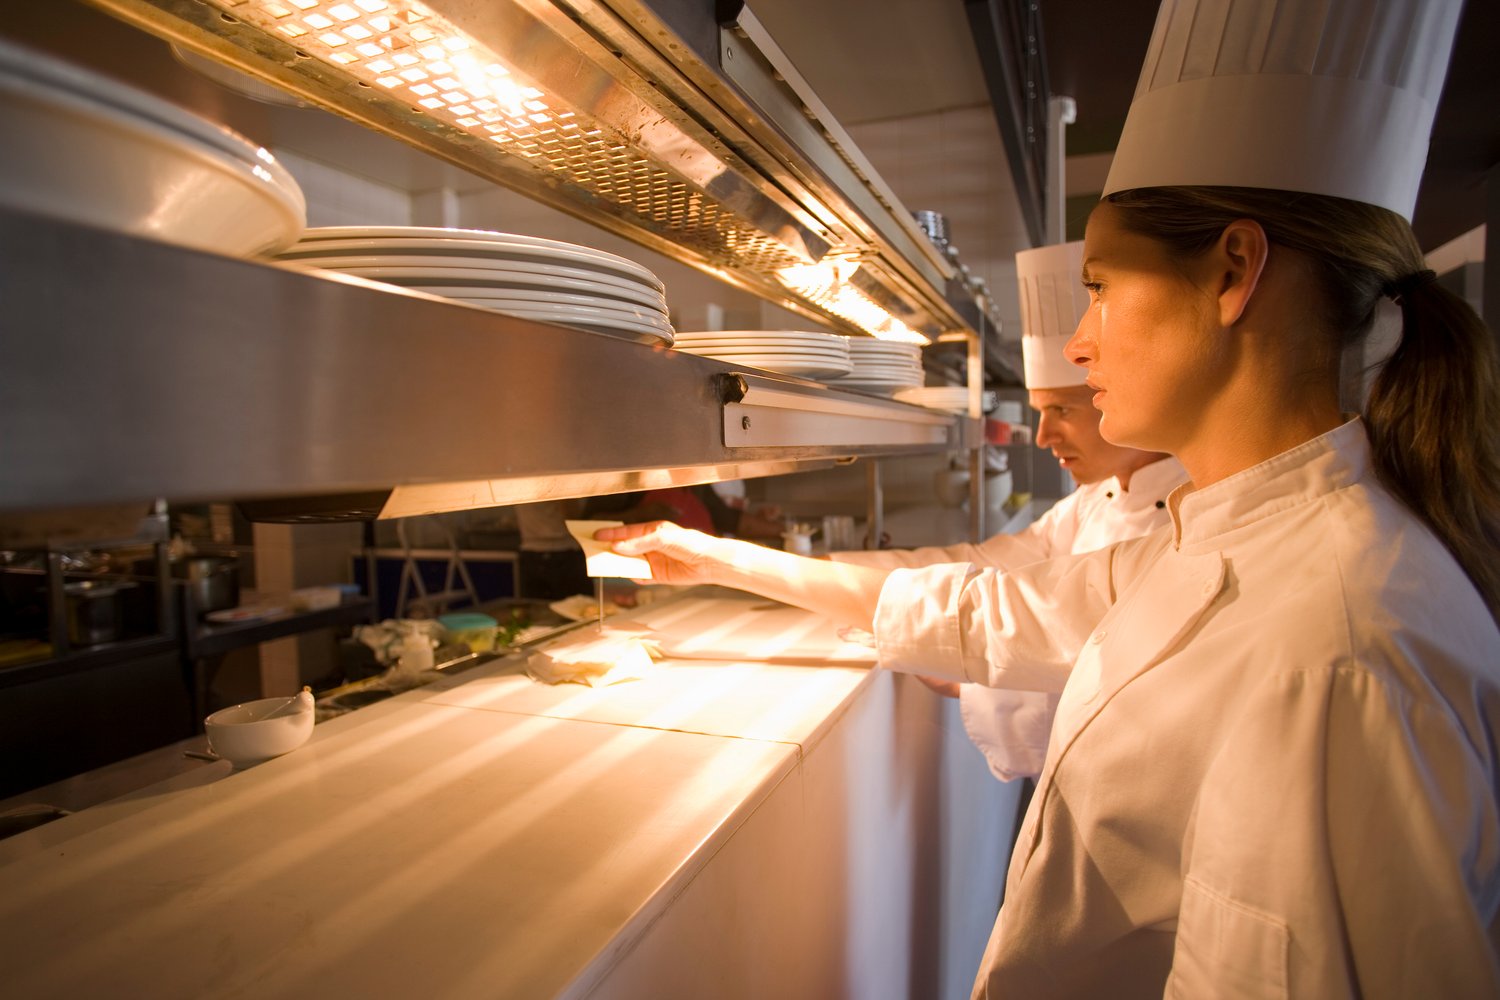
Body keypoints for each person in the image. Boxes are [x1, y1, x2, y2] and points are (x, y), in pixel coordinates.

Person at [599, 0, 1500, 994]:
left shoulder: (1336, 652)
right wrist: (719, 559)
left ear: (1235, 271)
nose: (1080, 342)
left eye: (1104, 286)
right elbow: (992, 604)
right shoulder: (1219, 544)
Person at [829, 240, 1186, 781]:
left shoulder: (1182, 523)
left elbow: (1098, 691)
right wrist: (830, 571)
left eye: (1061, 409)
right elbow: (984, 559)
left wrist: (955, 670)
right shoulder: (1096, 498)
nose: (1043, 436)